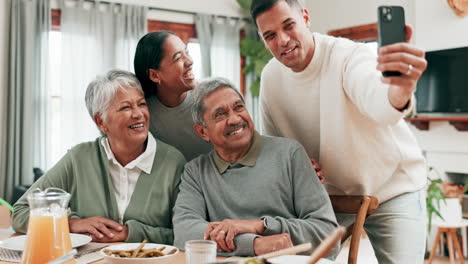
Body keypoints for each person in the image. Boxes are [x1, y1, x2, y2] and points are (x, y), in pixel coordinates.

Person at [251, 0, 428, 262]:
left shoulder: (348, 56)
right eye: (270, 35)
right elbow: (278, 152)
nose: (283, 40)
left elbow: (380, 105)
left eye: (289, 26)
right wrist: (297, 168)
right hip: (327, 199)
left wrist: (401, 89)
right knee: (295, 260)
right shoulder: (270, 78)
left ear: (306, 18)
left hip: (391, 187)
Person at [12, 70, 186, 244]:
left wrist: (128, 233)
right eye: (126, 107)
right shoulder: (79, 158)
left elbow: (184, 233)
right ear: (101, 122)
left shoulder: (172, 162)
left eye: (141, 104)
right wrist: (71, 223)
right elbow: (21, 212)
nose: (138, 114)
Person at [173, 78, 339, 257]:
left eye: (239, 107)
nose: (235, 119)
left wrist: (261, 225)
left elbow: (328, 234)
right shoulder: (196, 172)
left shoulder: (290, 153)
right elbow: (184, 232)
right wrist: (255, 244)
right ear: (203, 132)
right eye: (220, 114)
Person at [134, 31, 212, 161]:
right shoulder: (143, 115)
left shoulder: (209, 98)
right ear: (154, 75)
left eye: (186, 53)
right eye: (178, 58)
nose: (190, 61)